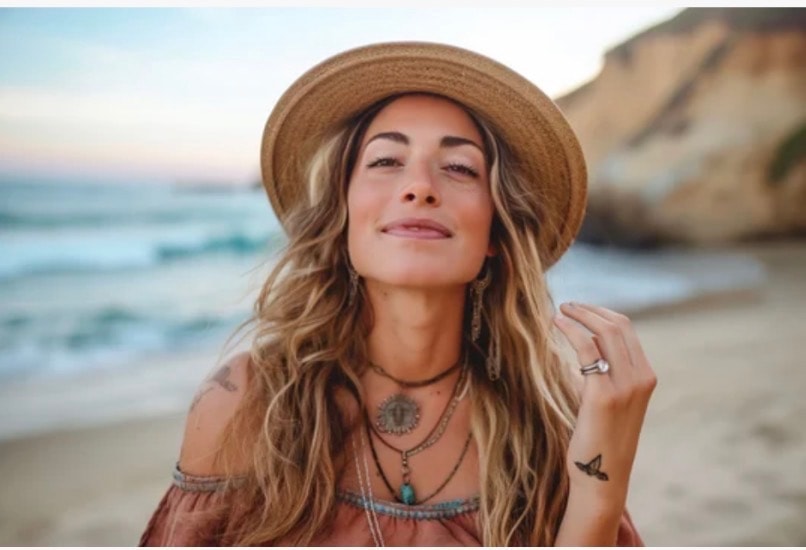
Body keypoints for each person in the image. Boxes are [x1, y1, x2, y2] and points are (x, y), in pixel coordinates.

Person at [139, 41, 656, 546]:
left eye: (459, 168)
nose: (419, 187)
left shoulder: (555, 418)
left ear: (496, 233)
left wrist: (598, 491)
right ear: (341, 213)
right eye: (386, 161)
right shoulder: (249, 401)